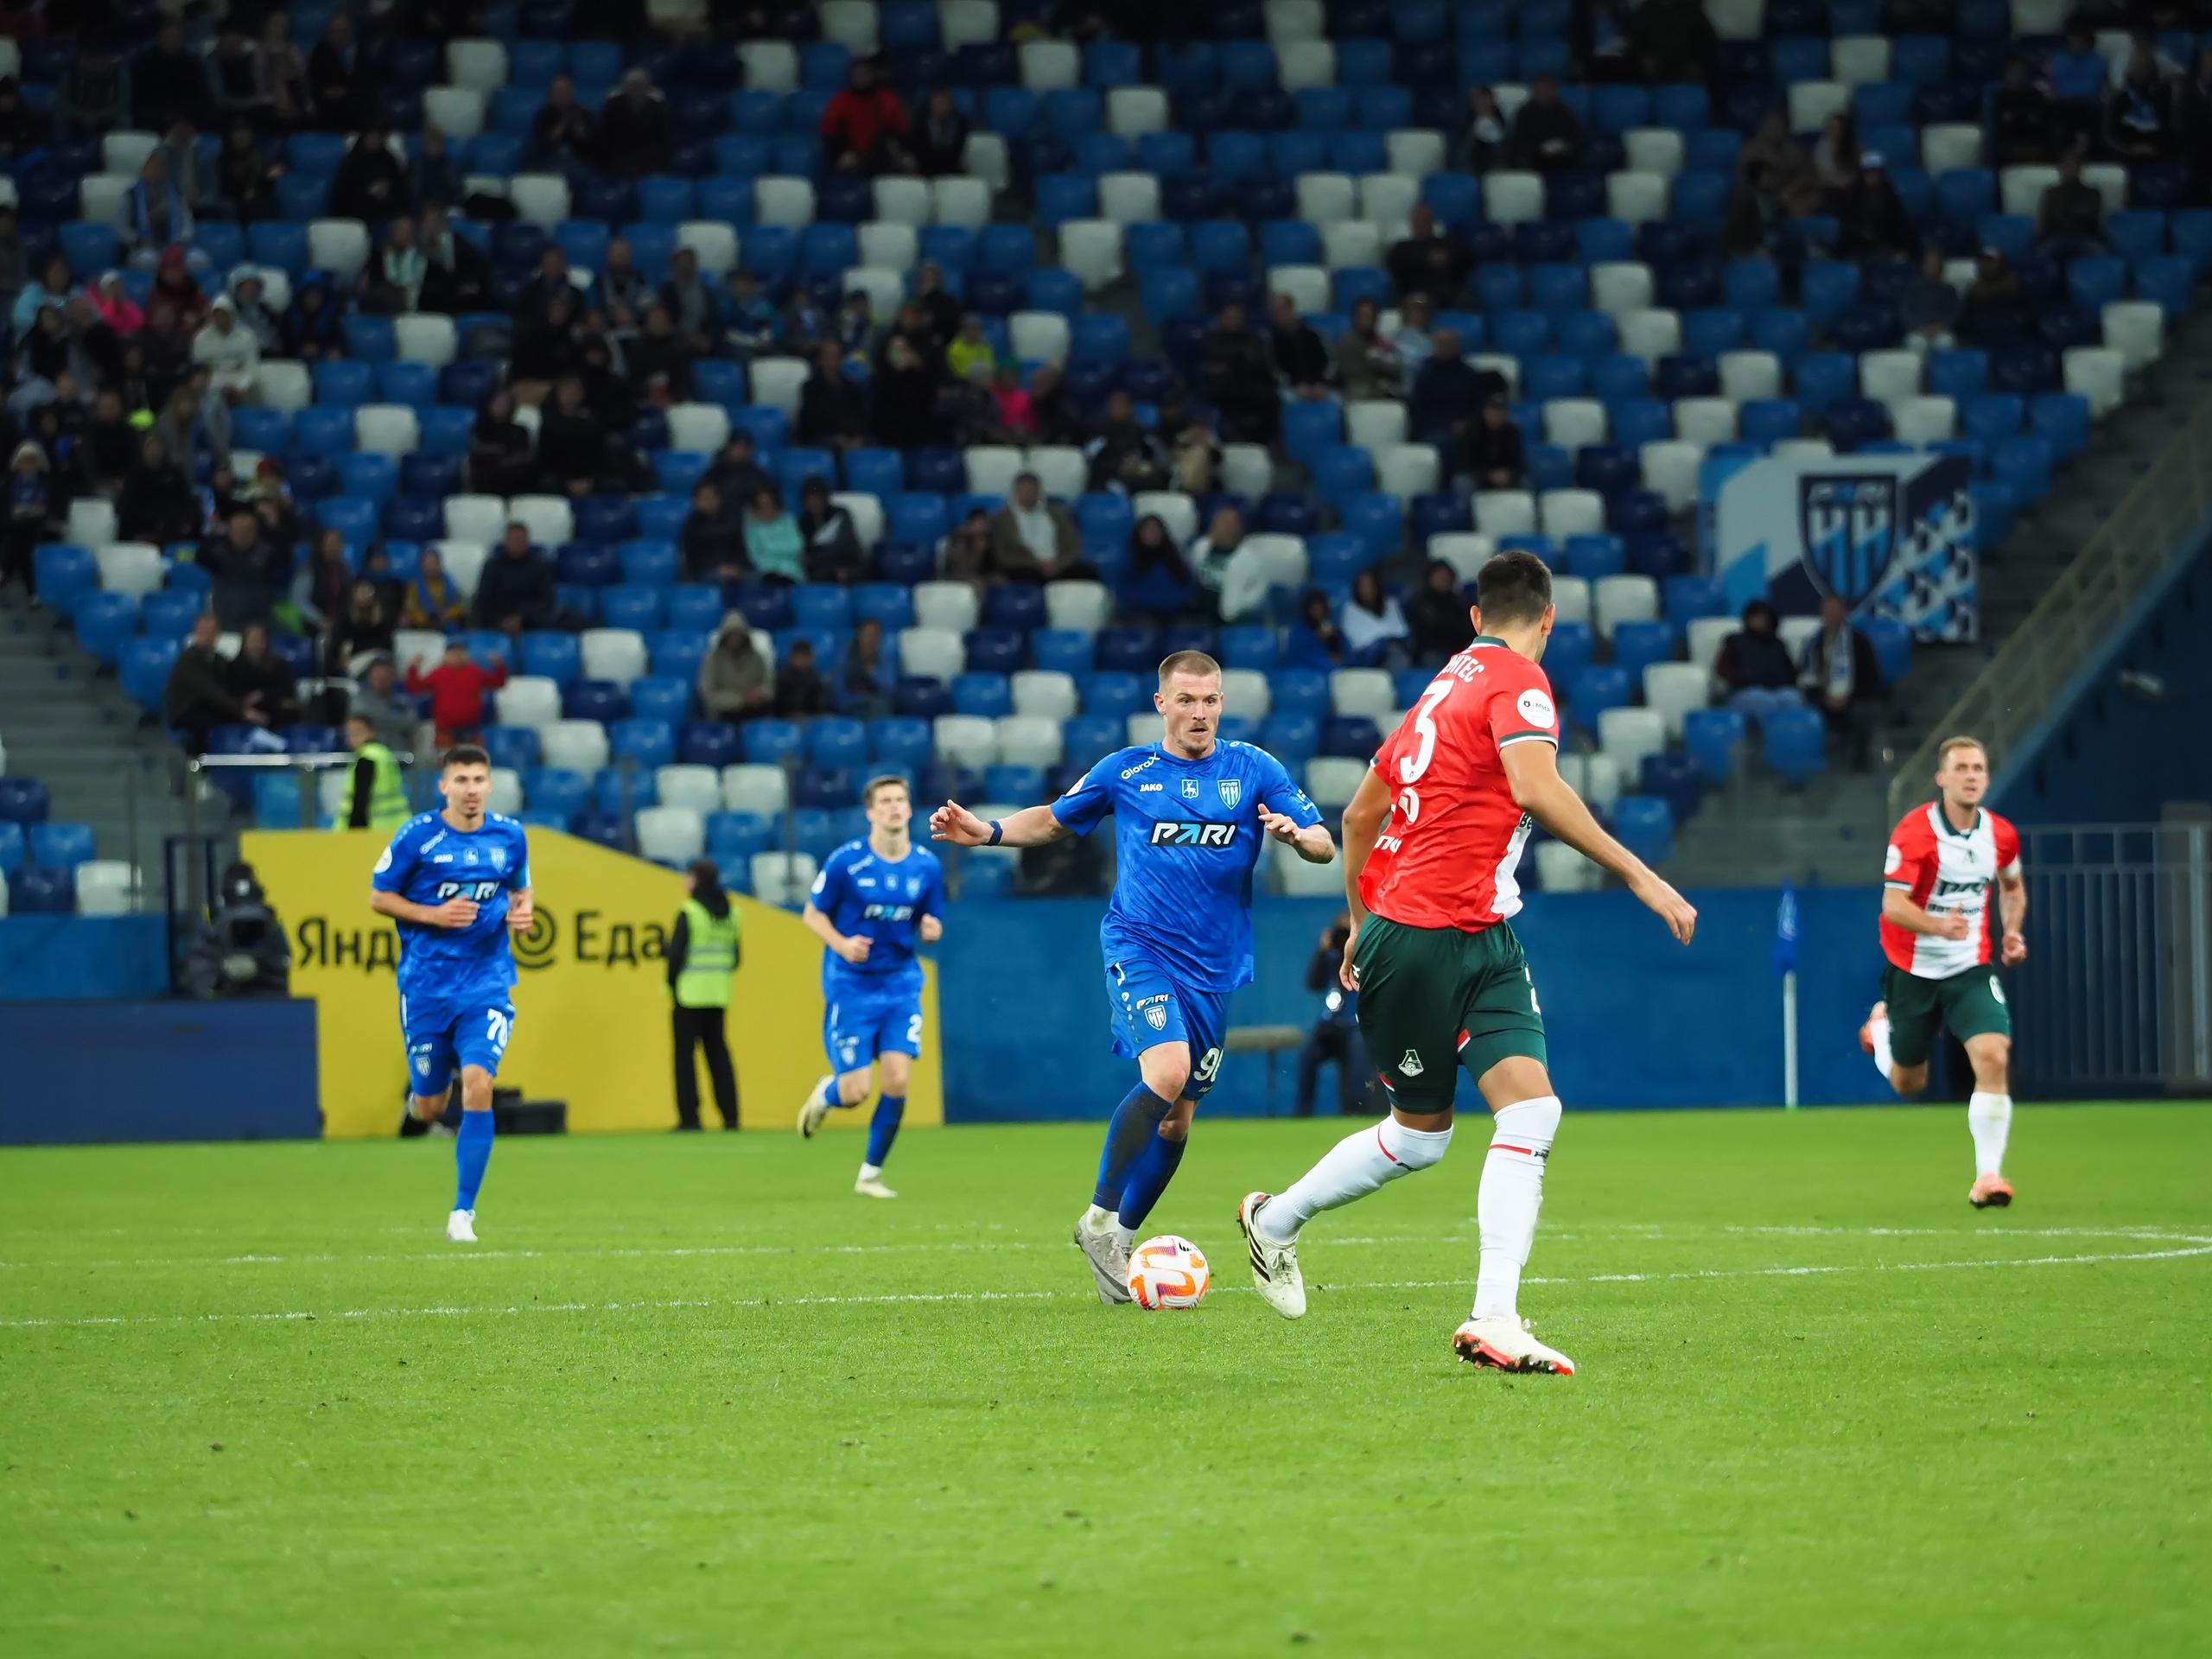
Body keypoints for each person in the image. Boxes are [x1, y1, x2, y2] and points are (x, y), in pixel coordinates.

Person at [1235, 551, 1697, 1370]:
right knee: (1420, 1140)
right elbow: (1533, 785)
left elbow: (1358, 816)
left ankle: (1495, 1316)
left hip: (1475, 931)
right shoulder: (1518, 679)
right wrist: (1641, 874)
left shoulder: (1442, 689)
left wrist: (1353, 921)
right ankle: (1272, 1222)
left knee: (1531, 1111)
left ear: (1475, 617)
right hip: (1420, 935)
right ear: (1547, 621)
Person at [931, 652, 1334, 1298]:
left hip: (1214, 968)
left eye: (1210, 701)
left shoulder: (1255, 768)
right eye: (1186, 701)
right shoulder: (1127, 771)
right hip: (1139, 945)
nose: (1199, 713)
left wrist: (1296, 837)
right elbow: (1055, 819)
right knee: (1167, 1071)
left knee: (1177, 1121)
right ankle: (1097, 1218)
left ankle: (1118, 1239)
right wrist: (988, 832)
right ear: (1161, 704)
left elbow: (1324, 843)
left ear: (1221, 703)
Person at [368, 743, 535, 1243]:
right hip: (425, 988)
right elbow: (379, 896)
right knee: (431, 1108)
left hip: (485, 983)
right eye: (460, 780)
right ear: (443, 786)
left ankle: (463, 1213)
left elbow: (520, 890)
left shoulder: (510, 835)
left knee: (479, 1082)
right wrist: (433, 915)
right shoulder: (417, 837)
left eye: (478, 780)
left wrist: (523, 914)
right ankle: (419, 1100)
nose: (470, 790)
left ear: (489, 784)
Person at [1859, 737, 2028, 1209]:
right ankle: (1882, 1028)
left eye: (1979, 767)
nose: (1972, 775)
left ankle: (1988, 1177)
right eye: (1962, 768)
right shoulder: (1914, 833)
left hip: (1969, 968)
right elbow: (1893, 906)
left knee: (1994, 1055)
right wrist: (1939, 925)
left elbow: (2013, 888)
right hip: (1913, 970)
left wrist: (2012, 930)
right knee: (1907, 1082)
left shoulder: (2001, 835)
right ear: (1942, 778)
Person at [795, 777, 945, 1197]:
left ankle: (870, 1174)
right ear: (871, 812)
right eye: (886, 801)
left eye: (901, 800)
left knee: (897, 1082)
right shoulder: (846, 862)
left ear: (909, 809)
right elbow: (812, 913)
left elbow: (928, 922)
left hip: (900, 984)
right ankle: (826, 1095)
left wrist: (931, 930)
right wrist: (842, 944)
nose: (895, 807)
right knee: (855, 1091)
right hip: (852, 987)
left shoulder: (926, 866)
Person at [667, 859, 741, 1131]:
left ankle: (690, 1117)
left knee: (685, 1058)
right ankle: (731, 1116)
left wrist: (671, 983)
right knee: (719, 1056)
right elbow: (735, 957)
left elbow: (676, 955)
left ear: (696, 879)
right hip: (719, 993)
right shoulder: (732, 912)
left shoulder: (689, 911)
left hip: (689, 994)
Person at [1295, 911, 1372, 1117]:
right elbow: (1313, 983)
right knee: (1308, 1055)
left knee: (1358, 1054)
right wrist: (1322, 952)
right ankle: (1303, 1111)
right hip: (1330, 1024)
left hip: (1356, 1024)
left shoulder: (1367, 955)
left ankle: (1355, 1110)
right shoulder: (1330, 958)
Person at [1798, 593, 1884, 770]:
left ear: (1844, 612)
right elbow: (1807, 676)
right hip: (1822, 697)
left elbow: (1871, 677)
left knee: (1863, 712)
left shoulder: (1859, 641)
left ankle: (1860, 759)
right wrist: (1825, 697)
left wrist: (1847, 697)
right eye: (1826, 611)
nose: (1829, 615)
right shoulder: (1814, 642)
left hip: (1854, 696)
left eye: (1834, 610)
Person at [183, 860, 292, 999]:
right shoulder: (211, 918)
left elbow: (283, 960)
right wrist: (221, 974)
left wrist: (261, 967)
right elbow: (198, 963)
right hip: (225, 999)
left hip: (266, 996)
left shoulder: (269, 918)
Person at [166, 611, 265, 753]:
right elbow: (210, 691)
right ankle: (204, 767)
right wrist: (241, 710)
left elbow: (228, 686)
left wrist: (244, 700)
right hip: (187, 711)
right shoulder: (188, 660)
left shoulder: (218, 659)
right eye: (204, 631)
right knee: (210, 724)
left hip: (210, 708)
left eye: (212, 631)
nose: (208, 635)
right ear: (197, 632)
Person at [1199, 302, 1278, 443]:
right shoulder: (1211, 339)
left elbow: (1260, 362)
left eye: (1236, 317)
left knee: (1269, 395)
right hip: (1221, 386)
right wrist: (1241, 358)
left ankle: (1265, 439)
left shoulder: (1253, 338)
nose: (1233, 321)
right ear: (1221, 318)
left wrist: (1228, 364)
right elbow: (1214, 358)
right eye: (1229, 317)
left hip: (1249, 383)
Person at [988, 472, 1088, 582]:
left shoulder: (1057, 514)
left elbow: (1073, 544)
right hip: (1025, 567)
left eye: (1032, 490)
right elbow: (1002, 555)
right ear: (1016, 491)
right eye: (1024, 490)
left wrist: (1059, 564)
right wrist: (1037, 564)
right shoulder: (1002, 518)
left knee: (1088, 573)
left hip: (1059, 565)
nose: (1028, 494)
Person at [407, 637, 506, 746]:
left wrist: (499, 665)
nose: (456, 656)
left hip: (472, 729)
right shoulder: (439, 673)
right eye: (452, 653)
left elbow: (498, 683)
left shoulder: (475, 671)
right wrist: (413, 668)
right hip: (446, 730)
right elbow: (415, 688)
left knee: (474, 760)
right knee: (445, 761)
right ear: (446, 655)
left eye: (460, 652)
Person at [820, 57, 910, 175]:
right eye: (857, 74)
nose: (861, 78)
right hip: (854, 158)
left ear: (872, 75)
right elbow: (829, 132)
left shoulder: (887, 99)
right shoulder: (841, 100)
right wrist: (841, 154)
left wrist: (906, 154)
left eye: (864, 73)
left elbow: (901, 130)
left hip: (884, 157)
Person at [200, 507, 283, 630]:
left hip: (258, 619)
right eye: (236, 531)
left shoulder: (266, 553)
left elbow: (285, 558)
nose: (240, 536)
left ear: (254, 533)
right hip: (226, 616)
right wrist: (213, 533)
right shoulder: (219, 551)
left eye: (246, 531)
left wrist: (273, 528)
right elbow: (200, 558)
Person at [474, 524, 562, 637]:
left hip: (532, 623)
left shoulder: (540, 567)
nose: (516, 543)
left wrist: (522, 617)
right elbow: (483, 600)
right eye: (513, 540)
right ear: (505, 541)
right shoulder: (492, 566)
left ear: (527, 542)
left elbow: (547, 600)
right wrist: (502, 621)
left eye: (520, 540)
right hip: (496, 622)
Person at [338, 709, 413, 830]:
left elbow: (361, 800)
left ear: (371, 732)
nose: (353, 737)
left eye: (358, 732)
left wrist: (354, 832)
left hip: (374, 829)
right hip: (396, 826)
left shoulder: (367, 758)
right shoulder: (383, 753)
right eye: (350, 733)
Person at [1385, 205, 1475, 306]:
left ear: (1433, 222)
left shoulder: (1448, 244)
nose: (1422, 224)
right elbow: (1394, 263)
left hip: (1447, 293)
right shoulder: (1402, 248)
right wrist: (1427, 258)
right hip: (1414, 294)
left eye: (1425, 220)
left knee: (1466, 299)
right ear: (1412, 223)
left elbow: (1469, 259)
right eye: (1419, 220)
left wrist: (1448, 258)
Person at [1713, 598, 1800, 693]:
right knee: (1764, 701)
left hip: (1780, 689)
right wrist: (1739, 680)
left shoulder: (1778, 644)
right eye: (1755, 617)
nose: (1759, 621)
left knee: (1793, 700)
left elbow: (1791, 671)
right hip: (1745, 690)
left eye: (1763, 618)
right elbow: (1721, 668)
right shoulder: (1734, 641)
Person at [2036, 148, 2109, 260]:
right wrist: (2074, 212)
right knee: (2041, 253)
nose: (2069, 169)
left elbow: (2091, 216)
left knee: (2100, 253)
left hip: (2085, 237)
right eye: (2066, 165)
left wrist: (2065, 213)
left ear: (2079, 168)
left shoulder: (2092, 193)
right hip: (2056, 237)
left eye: (2072, 165)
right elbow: (2049, 217)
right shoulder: (2052, 193)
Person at [599, 71, 674, 177]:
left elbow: (663, 138)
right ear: (624, 87)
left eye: (639, 86)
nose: (635, 89)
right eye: (632, 86)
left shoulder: (657, 108)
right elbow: (605, 135)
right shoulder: (613, 106)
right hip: (619, 159)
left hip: (649, 160)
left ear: (647, 88)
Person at [328, 126, 410, 225]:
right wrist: (367, 191)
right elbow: (342, 192)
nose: (374, 141)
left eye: (377, 138)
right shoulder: (352, 161)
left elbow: (400, 188)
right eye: (371, 137)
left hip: (385, 213)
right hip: (356, 215)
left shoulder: (389, 160)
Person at [698, 613, 772, 721]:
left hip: (755, 712)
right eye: (731, 635)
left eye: (738, 634)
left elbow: (770, 685)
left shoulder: (757, 658)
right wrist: (741, 700)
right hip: (724, 715)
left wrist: (760, 694)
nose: (735, 638)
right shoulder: (712, 660)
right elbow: (709, 695)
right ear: (724, 636)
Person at [228, 621, 300, 728]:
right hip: (246, 713)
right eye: (252, 639)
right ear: (244, 642)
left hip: (275, 710)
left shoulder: (280, 665)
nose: (256, 643)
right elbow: (233, 695)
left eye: (260, 639)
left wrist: (262, 695)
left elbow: (288, 692)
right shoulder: (233, 667)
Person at [798, 475, 868, 584]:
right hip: (824, 569)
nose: (813, 503)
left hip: (849, 562)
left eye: (817, 498)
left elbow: (845, 543)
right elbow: (807, 554)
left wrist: (818, 556)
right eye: (810, 499)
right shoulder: (804, 523)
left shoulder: (841, 514)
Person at [1405, 559, 1475, 664]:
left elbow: (1469, 629)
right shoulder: (1420, 601)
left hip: (1459, 649)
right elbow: (1426, 630)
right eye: (1439, 575)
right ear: (1429, 577)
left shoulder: (1461, 601)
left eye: (1446, 576)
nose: (1443, 579)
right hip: (1431, 651)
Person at [1510, 73, 1585, 173]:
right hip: (1535, 160)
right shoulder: (1525, 112)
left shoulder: (1565, 112)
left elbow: (1575, 136)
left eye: (1548, 89)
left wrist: (1567, 147)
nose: (1545, 93)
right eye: (1541, 89)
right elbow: (1519, 141)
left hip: (1563, 159)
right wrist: (1539, 149)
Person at [1990, 55, 2054, 167]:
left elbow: (2038, 120)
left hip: (2034, 141)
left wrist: (2018, 118)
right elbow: (2003, 122)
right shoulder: (2000, 96)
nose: (2016, 75)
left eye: (2019, 71)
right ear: (2006, 73)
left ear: (2026, 74)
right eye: (2012, 71)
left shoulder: (2036, 95)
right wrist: (2024, 118)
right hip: (2008, 142)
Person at [1897, 245, 1961, 355]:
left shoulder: (1949, 290)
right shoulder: (1911, 289)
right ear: (1923, 266)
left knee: (1945, 342)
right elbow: (1905, 312)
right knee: (1916, 342)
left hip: (1941, 330)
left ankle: (1942, 372)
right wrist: (1919, 326)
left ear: (1940, 267)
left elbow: (1954, 313)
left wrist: (1941, 326)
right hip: (1918, 330)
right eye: (1929, 264)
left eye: (1934, 264)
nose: (1931, 267)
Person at [1335, 298, 1403, 402]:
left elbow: (1395, 368)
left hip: (1383, 388)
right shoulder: (1348, 342)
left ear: (1375, 318)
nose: (1365, 319)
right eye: (1361, 315)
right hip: (1357, 389)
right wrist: (1378, 364)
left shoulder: (1382, 341)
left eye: (1368, 316)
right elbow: (1354, 372)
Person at [1341, 568, 1411, 668]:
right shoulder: (1350, 610)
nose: (1367, 590)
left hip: (1395, 649)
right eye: (1363, 586)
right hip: (1367, 657)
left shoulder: (1391, 604)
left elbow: (1401, 631)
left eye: (1370, 585)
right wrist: (1380, 642)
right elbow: (1357, 641)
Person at [1267, 291, 1331, 399]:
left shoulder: (1313, 335)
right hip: (1288, 387)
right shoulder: (1271, 340)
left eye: (1282, 310)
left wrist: (1320, 382)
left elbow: (1327, 362)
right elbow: (1274, 369)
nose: (1279, 315)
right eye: (1276, 312)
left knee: (1335, 399)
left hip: (1318, 384)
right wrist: (1295, 384)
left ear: (1292, 309)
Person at [530, 75, 597, 170]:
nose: (561, 97)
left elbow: (592, 146)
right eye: (557, 93)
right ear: (551, 95)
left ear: (571, 93)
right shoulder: (543, 116)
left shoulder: (583, 114)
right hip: (550, 162)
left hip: (579, 162)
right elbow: (543, 147)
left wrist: (580, 131)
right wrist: (561, 126)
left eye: (564, 92)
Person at [1461, 396, 1526, 489]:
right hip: (1479, 476)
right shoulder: (1471, 432)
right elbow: (1465, 464)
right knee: (1463, 481)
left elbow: (1519, 463)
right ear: (1485, 413)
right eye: (1492, 411)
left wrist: (1509, 474)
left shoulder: (1513, 433)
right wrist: (1488, 475)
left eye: (1500, 411)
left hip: (1506, 476)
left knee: (1526, 482)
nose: (1496, 415)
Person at [743, 487, 805, 583]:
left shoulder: (788, 521)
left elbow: (796, 547)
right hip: (765, 574)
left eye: (769, 505)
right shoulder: (752, 527)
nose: (767, 510)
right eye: (762, 507)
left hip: (792, 572)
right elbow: (755, 556)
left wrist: (768, 548)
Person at [402, 548, 469, 632]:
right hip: (423, 626)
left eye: (434, 564)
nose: (431, 568)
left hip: (448, 622)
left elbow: (460, 604)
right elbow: (411, 607)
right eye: (427, 564)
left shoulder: (451, 584)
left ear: (440, 564)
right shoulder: (414, 586)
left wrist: (448, 614)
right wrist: (425, 618)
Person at [909, 86, 969, 177]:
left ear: (951, 104)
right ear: (931, 103)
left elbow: (960, 150)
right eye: (939, 102)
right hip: (925, 172)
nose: (942, 105)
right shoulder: (920, 123)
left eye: (945, 102)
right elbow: (918, 150)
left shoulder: (960, 123)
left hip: (952, 172)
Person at [773, 636, 836, 716]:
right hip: (788, 718)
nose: (803, 660)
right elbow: (779, 705)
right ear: (792, 657)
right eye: (800, 656)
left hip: (812, 716)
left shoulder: (815, 677)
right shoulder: (782, 678)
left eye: (806, 656)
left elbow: (821, 704)